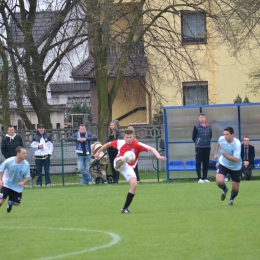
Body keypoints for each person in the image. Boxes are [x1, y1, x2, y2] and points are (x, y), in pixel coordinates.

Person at [94, 129, 167, 213]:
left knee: (134, 185)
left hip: (129, 168)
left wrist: (158, 157)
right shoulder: (120, 142)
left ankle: (125, 208)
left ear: (133, 137)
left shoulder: (137, 145)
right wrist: (98, 151)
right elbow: (108, 144)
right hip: (118, 163)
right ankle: (120, 161)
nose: (128, 139)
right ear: (124, 138)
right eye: (127, 137)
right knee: (123, 158)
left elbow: (151, 148)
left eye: (130, 137)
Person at [214, 127, 242, 206]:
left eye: (227, 134)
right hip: (224, 164)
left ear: (232, 135)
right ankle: (225, 189)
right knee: (219, 181)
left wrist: (225, 155)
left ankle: (231, 199)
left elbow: (236, 159)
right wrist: (216, 153)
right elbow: (218, 143)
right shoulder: (222, 139)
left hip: (236, 167)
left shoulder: (237, 144)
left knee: (235, 189)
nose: (225, 136)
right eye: (224, 134)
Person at [0, 146, 30, 213]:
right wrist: (1, 180)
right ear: (18, 153)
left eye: (26, 153)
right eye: (23, 153)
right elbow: (1, 170)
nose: (25, 155)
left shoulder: (26, 164)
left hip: (17, 186)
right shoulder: (9, 161)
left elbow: (27, 176)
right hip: (6, 184)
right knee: (1, 201)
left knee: (17, 203)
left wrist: (23, 182)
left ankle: (10, 203)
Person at [192, 113, 212, 183]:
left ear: (205, 118)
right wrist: (198, 142)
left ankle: (205, 178)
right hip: (199, 147)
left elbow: (210, 136)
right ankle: (199, 178)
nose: (202, 118)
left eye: (203, 117)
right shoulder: (196, 126)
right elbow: (193, 137)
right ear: (199, 118)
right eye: (201, 117)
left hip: (207, 147)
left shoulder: (209, 126)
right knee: (198, 163)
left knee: (206, 163)